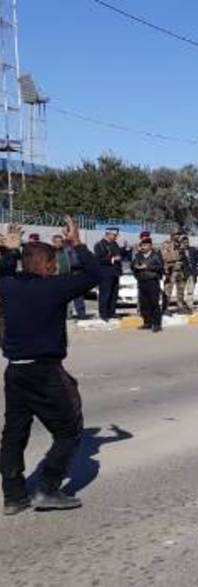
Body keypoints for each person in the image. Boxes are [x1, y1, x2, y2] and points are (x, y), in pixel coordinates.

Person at [0, 216, 100, 514]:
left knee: (14, 432)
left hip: (16, 370)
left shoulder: (8, 286)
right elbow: (95, 273)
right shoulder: (54, 288)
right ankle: (47, 488)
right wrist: (77, 243)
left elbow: (3, 271)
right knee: (69, 431)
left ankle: (14, 496)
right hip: (44, 372)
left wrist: (9, 252)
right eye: (53, 263)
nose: (56, 267)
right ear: (45, 265)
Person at [132, 237, 164, 332]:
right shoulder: (138, 255)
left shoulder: (156, 255)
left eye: (146, 245)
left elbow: (160, 266)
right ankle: (147, 322)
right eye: (142, 245)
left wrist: (148, 266)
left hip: (152, 281)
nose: (143, 247)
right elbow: (133, 265)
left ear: (150, 246)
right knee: (144, 303)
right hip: (142, 281)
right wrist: (136, 268)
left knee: (154, 303)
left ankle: (157, 324)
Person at [93, 227, 123, 321]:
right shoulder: (100, 245)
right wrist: (112, 259)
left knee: (114, 294)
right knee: (105, 294)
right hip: (106, 273)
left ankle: (111, 312)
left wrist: (125, 250)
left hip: (115, 272)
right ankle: (103, 314)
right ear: (108, 234)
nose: (116, 237)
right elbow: (99, 259)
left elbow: (119, 254)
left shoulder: (114, 244)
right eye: (114, 235)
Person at [160, 231, 183, 315]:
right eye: (176, 234)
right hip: (170, 269)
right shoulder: (166, 244)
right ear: (172, 235)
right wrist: (174, 258)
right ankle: (165, 308)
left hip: (180, 269)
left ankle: (180, 306)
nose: (178, 236)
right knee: (168, 290)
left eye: (179, 235)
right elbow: (164, 256)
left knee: (180, 289)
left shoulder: (180, 244)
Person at [178, 235, 196, 314]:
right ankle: (181, 307)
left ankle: (189, 307)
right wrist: (181, 250)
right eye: (184, 242)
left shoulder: (192, 250)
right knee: (181, 291)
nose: (186, 243)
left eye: (187, 242)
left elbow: (195, 262)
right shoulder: (179, 251)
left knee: (190, 291)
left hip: (191, 273)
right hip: (183, 274)